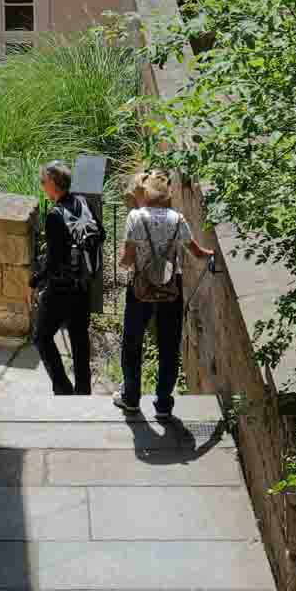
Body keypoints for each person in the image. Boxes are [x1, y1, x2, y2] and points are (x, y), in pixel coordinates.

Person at [116, 167, 214, 420]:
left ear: (146, 194)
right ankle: (163, 404)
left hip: (141, 287)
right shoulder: (177, 219)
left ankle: (131, 398)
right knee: (169, 345)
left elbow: (127, 260)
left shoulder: (136, 217)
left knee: (132, 342)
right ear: (167, 195)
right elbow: (197, 252)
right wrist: (212, 255)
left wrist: (125, 261)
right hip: (171, 287)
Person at [31, 161, 99, 396]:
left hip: (61, 288)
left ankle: (63, 389)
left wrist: (35, 280)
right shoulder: (83, 203)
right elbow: (100, 234)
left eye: (43, 181)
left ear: (52, 184)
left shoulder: (55, 215)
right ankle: (83, 391)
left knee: (41, 337)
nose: (42, 185)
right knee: (79, 339)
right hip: (83, 285)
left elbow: (53, 260)